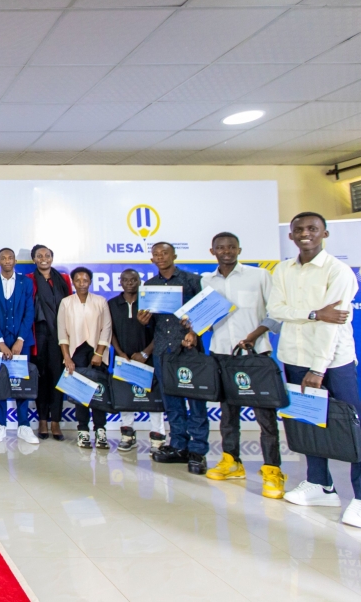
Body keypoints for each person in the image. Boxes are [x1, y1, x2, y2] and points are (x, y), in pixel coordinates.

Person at [269, 212, 361, 527]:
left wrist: (318, 369)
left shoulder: (339, 272)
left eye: (312, 229)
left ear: (324, 233)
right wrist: (312, 313)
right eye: (299, 230)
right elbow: (276, 310)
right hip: (294, 358)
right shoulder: (282, 270)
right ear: (291, 236)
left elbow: (331, 326)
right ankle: (320, 484)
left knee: (353, 427)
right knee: (307, 422)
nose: (305, 233)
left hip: (333, 362)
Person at [201, 233, 285, 498]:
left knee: (266, 418)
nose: (226, 252)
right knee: (228, 415)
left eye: (231, 247)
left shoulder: (259, 276)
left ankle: (272, 469)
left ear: (239, 249)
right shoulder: (206, 280)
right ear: (212, 251)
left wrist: (253, 336)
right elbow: (201, 317)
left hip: (255, 354)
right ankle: (231, 461)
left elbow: (276, 314)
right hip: (221, 355)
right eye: (220, 248)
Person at [141, 242, 207, 474]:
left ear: (174, 255)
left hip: (189, 350)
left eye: (164, 253)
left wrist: (194, 331)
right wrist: (144, 320)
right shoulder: (149, 286)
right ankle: (179, 445)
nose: (160, 257)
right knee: (172, 403)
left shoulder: (192, 281)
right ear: (152, 259)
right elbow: (150, 322)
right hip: (163, 350)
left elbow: (205, 314)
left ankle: (198, 450)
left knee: (196, 401)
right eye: (156, 254)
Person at [0, 248, 36, 444]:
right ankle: (0, 425)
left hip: (21, 343)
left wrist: (21, 339)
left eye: (10, 258)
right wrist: (0, 342)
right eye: (3, 258)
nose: (7, 261)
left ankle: (24, 425)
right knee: (0, 383)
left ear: (15, 260)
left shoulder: (26, 282)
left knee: (21, 382)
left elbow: (29, 312)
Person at [58, 267, 113, 449]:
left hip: (98, 354)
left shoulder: (100, 301)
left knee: (99, 393)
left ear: (90, 282)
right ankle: (82, 430)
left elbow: (106, 329)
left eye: (85, 280)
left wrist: (98, 353)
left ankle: (101, 431)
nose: (82, 283)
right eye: (78, 280)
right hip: (76, 353)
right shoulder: (66, 302)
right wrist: (67, 357)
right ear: (73, 282)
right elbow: (62, 333)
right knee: (81, 394)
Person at [108, 269, 158, 452]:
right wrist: (120, 353)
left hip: (148, 358)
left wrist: (145, 353)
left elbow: (160, 331)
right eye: (126, 280)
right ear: (120, 282)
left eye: (134, 279)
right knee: (125, 397)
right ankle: (127, 435)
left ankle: (157, 437)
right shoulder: (112, 304)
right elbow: (110, 331)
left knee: (154, 398)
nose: (130, 283)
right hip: (124, 359)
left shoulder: (149, 303)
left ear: (139, 281)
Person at [27, 245, 72, 441]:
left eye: (47, 255)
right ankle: (42, 421)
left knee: (57, 379)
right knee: (42, 379)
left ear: (52, 258)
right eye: (39, 256)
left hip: (60, 335)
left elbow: (71, 307)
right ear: (34, 260)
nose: (43, 258)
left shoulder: (64, 279)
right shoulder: (29, 280)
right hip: (39, 334)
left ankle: (56, 422)